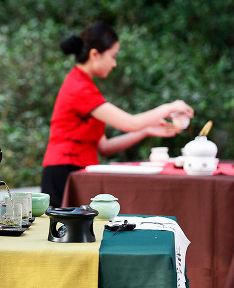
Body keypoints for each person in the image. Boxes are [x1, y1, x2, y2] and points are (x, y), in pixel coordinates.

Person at [41, 22, 194, 207]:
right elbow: (130, 123)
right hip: (64, 172)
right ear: (95, 54)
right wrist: (169, 107)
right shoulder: (79, 87)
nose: (114, 63)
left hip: (78, 172)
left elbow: (104, 147)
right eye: (113, 56)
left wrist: (147, 130)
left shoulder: (85, 86)